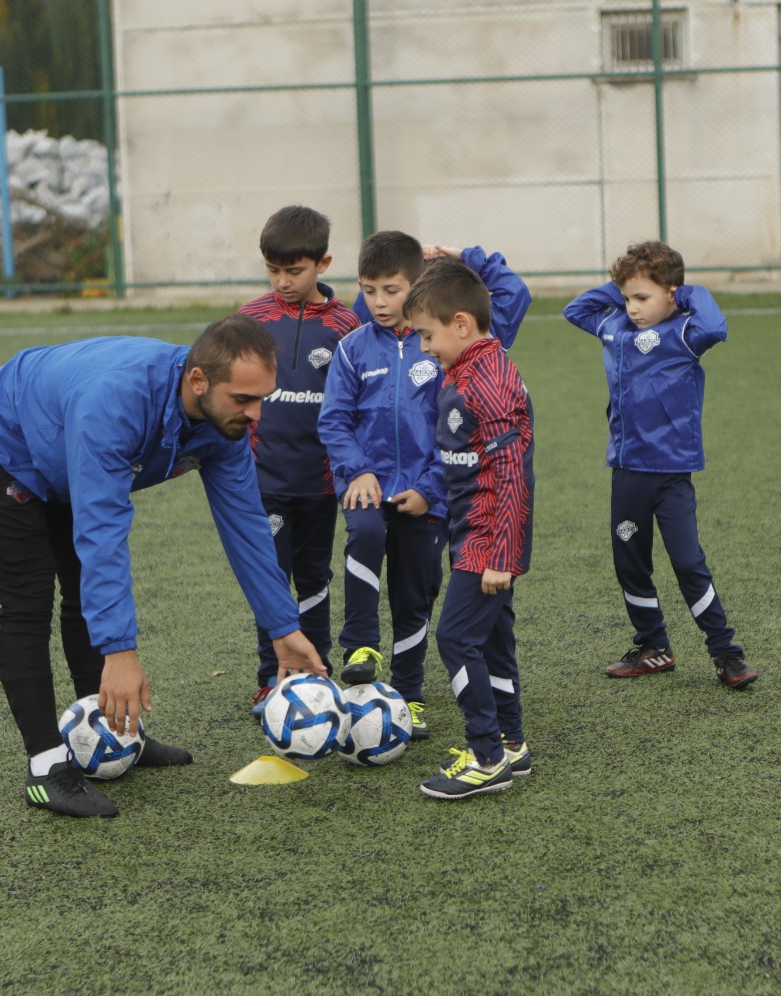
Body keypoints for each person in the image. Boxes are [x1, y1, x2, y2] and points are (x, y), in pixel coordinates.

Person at [0, 315, 328, 819]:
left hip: (59, 450)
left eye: (263, 399)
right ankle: (46, 766)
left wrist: (282, 626)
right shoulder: (117, 403)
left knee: (82, 590)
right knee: (27, 599)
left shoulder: (224, 423)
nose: (256, 415)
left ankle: (107, 736)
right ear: (198, 381)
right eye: (243, 399)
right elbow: (103, 531)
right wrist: (120, 652)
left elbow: (247, 525)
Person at [318, 231, 530, 741]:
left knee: (416, 592)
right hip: (368, 486)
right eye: (369, 290)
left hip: (432, 498)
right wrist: (357, 470)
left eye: (392, 291)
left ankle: (409, 697)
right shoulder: (354, 347)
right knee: (364, 535)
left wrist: (430, 490)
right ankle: (361, 647)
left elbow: (464, 441)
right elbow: (334, 420)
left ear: (416, 291)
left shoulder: (447, 348)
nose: (379, 302)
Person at [562, 240, 757, 689]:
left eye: (643, 298)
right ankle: (653, 646)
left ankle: (726, 652)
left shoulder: (686, 333)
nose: (632, 307)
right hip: (627, 471)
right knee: (630, 562)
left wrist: (683, 293)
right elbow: (575, 310)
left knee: (688, 562)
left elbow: (716, 324)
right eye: (627, 297)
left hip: (670, 474)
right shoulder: (612, 326)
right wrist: (622, 288)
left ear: (671, 293)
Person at [405, 257, 535, 799]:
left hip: (488, 535)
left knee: (456, 637)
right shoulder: (467, 369)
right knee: (494, 638)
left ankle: (485, 756)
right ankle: (512, 742)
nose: (423, 347)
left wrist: (500, 554)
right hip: (471, 528)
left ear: (461, 324)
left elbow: (509, 473)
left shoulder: (488, 381)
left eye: (427, 335)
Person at [237, 206, 361, 712]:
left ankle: (315, 669)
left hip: (321, 481)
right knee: (271, 574)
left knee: (314, 576)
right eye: (274, 271)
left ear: (323, 263)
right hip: (264, 479)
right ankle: (272, 675)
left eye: (295, 271)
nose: (283, 282)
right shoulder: (251, 319)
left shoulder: (348, 326)